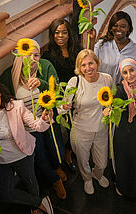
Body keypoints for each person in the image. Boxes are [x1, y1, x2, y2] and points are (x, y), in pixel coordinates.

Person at [0, 78, 52, 214]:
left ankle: (35, 208)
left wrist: (45, 119)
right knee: (6, 194)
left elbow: (37, 126)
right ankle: (39, 202)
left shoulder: (16, 106)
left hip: (22, 154)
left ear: (0, 93)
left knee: (30, 182)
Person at [0, 39, 67, 200]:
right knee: (40, 154)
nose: (32, 59)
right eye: (27, 55)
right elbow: (4, 100)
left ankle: (56, 167)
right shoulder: (10, 75)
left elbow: (54, 91)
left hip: (47, 120)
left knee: (54, 147)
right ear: (19, 55)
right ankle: (54, 179)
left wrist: (40, 84)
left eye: (36, 55)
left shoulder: (44, 68)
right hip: (28, 128)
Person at [60, 49, 112, 195]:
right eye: (83, 65)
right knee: (83, 161)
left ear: (97, 63)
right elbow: (62, 107)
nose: (88, 68)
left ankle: (98, 174)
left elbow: (110, 99)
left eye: (91, 63)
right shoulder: (75, 82)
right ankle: (87, 178)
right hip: (81, 129)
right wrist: (63, 106)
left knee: (102, 162)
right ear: (79, 67)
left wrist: (109, 108)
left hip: (101, 128)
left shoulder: (107, 79)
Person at [105, 58, 136, 198]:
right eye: (125, 72)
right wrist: (110, 109)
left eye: (131, 70)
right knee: (124, 161)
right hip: (125, 132)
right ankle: (123, 186)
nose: (129, 75)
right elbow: (114, 105)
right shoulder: (121, 89)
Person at [42, 18, 82, 172]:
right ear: (52, 35)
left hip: (78, 96)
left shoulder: (77, 52)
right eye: (56, 32)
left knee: (76, 127)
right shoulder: (48, 56)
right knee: (62, 127)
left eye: (64, 32)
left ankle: (69, 151)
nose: (60, 36)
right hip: (60, 99)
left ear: (69, 34)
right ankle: (61, 158)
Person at [94, 11, 136, 85]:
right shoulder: (101, 45)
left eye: (123, 26)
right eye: (115, 25)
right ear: (111, 28)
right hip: (101, 90)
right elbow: (91, 64)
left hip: (124, 92)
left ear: (128, 28)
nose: (118, 29)